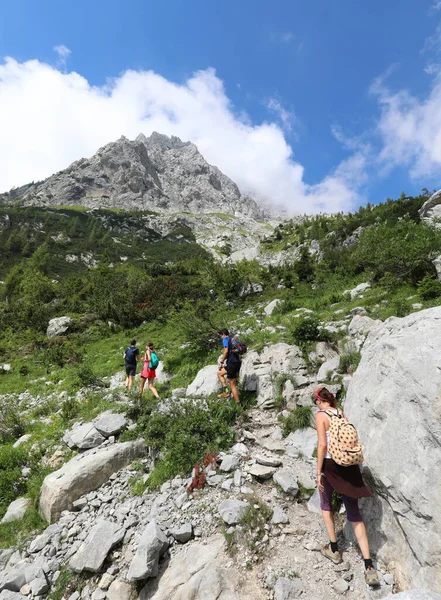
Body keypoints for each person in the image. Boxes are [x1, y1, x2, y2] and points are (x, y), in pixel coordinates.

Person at [314, 386, 380, 588]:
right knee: (354, 514)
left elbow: (322, 445)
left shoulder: (321, 416)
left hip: (330, 466)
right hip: (348, 465)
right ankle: (369, 566)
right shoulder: (340, 412)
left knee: (326, 505)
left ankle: (334, 550)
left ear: (319, 400)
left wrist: (318, 472)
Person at [217, 328, 241, 403]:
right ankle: (226, 391)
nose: (221, 337)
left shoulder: (225, 339)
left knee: (232, 384)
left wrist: (221, 361)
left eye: (221, 335)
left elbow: (226, 351)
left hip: (231, 363)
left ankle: (238, 404)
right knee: (219, 373)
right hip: (237, 362)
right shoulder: (232, 339)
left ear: (223, 334)